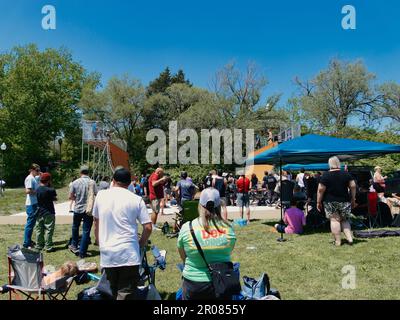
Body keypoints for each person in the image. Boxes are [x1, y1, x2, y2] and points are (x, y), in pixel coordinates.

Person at [93, 168, 152, 300]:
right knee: (126, 293)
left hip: (108, 252)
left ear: (113, 181)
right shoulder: (136, 199)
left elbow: (96, 222)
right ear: (129, 182)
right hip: (128, 253)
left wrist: (98, 241)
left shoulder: (101, 196)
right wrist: (141, 243)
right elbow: (148, 227)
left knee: (110, 291)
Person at [177, 188, 236, 300]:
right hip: (221, 282)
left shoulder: (187, 228)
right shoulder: (229, 228)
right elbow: (229, 250)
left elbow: (183, 255)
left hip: (193, 282)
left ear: (199, 205)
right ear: (219, 206)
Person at [317, 157, 356, 247]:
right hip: (345, 200)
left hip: (330, 201)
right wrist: (353, 198)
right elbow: (353, 186)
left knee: (334, 221)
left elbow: (320, 190)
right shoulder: (346, 174)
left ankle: (338, 241)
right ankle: (349, 238)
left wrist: (318, 202)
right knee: (345, 219)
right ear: (339, 163)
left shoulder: (325, 175)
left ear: (329, 164)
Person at [69, 165, 97, 258]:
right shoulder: (92, 182)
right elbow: (96, 194)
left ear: (80, 172)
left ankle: (74, 245)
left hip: (78, 208)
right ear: (88, 172)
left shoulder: (75, 182)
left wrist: (77, 198)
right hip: (88, 210)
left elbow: (71, 196)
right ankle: (82, 252)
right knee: (86, 230)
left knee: (75, 227)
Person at [35, 173, 57, 252]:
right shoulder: (50, 189)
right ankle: (48, 246)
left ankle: (39, 245)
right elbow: (54, 198)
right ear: (48, 180)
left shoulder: (37, 189)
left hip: (39, 211)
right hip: (49, 211)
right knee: (49, 229)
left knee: (39, 229)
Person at [23, 164, 41, 249]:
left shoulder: (34, 178)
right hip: (31, 204)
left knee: (32, 223)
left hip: (34, 203)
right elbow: (27, 191)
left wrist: (40, 173)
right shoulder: (30, 178)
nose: (38, 172)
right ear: (31, 170)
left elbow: (41, 177)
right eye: (37, 170)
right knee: (30, 224)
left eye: (39, 170)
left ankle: (29, 240)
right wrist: (38, 193)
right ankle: (26, 243)